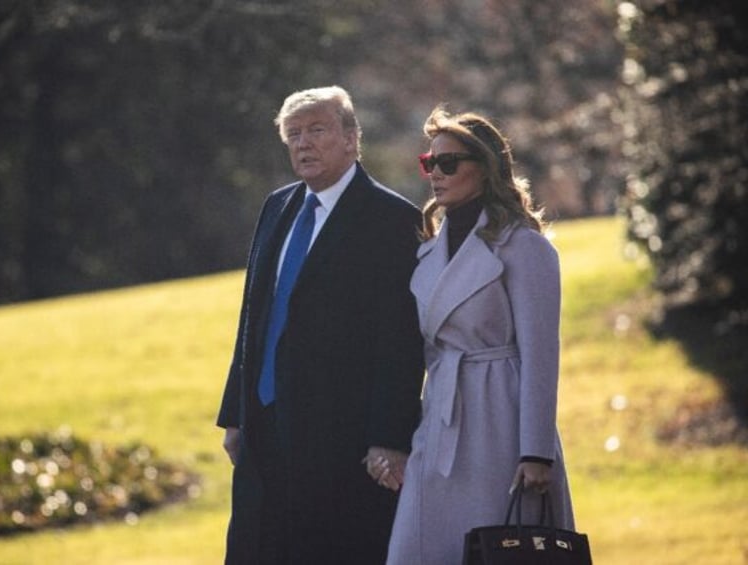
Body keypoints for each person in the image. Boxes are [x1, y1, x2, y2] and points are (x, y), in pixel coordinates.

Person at [216, 86, 425, 564]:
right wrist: (235, 415)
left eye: (317, 130)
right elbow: (254, 316)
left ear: (352, 139)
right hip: (264, 431)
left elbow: (401, 340)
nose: (303, 143)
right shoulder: (277, 207)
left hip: (342, 443)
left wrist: (390, 438)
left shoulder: (393, 220)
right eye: (293, 134)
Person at [378, 107, 576, 564]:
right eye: (430, 162)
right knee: (414, 549)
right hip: (440, 423)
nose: (436, 174)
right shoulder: (428, 252)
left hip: (501, 425)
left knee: (499, 551)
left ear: (485, 169)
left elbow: (541, 358)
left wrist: (536, 453)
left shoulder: (525, 248)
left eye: (449, 163)